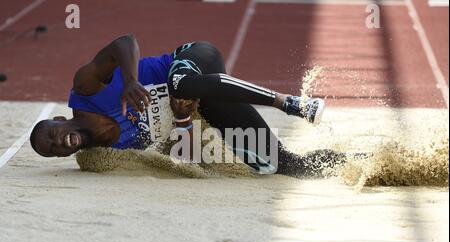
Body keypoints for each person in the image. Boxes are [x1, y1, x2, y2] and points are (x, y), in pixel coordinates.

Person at [30, 34, 344, 177]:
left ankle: (289, 103)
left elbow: (124, 43)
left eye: (52, 135)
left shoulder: (85, 90)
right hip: (208, 101)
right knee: (280, 166)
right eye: (54, 150)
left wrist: (128, 81)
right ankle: (365, 164)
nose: (58, 143)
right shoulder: (109, 152)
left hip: (193, 60)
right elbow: (189, 159)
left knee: (179, 84)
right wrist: (182, 120)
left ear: (59, 119)